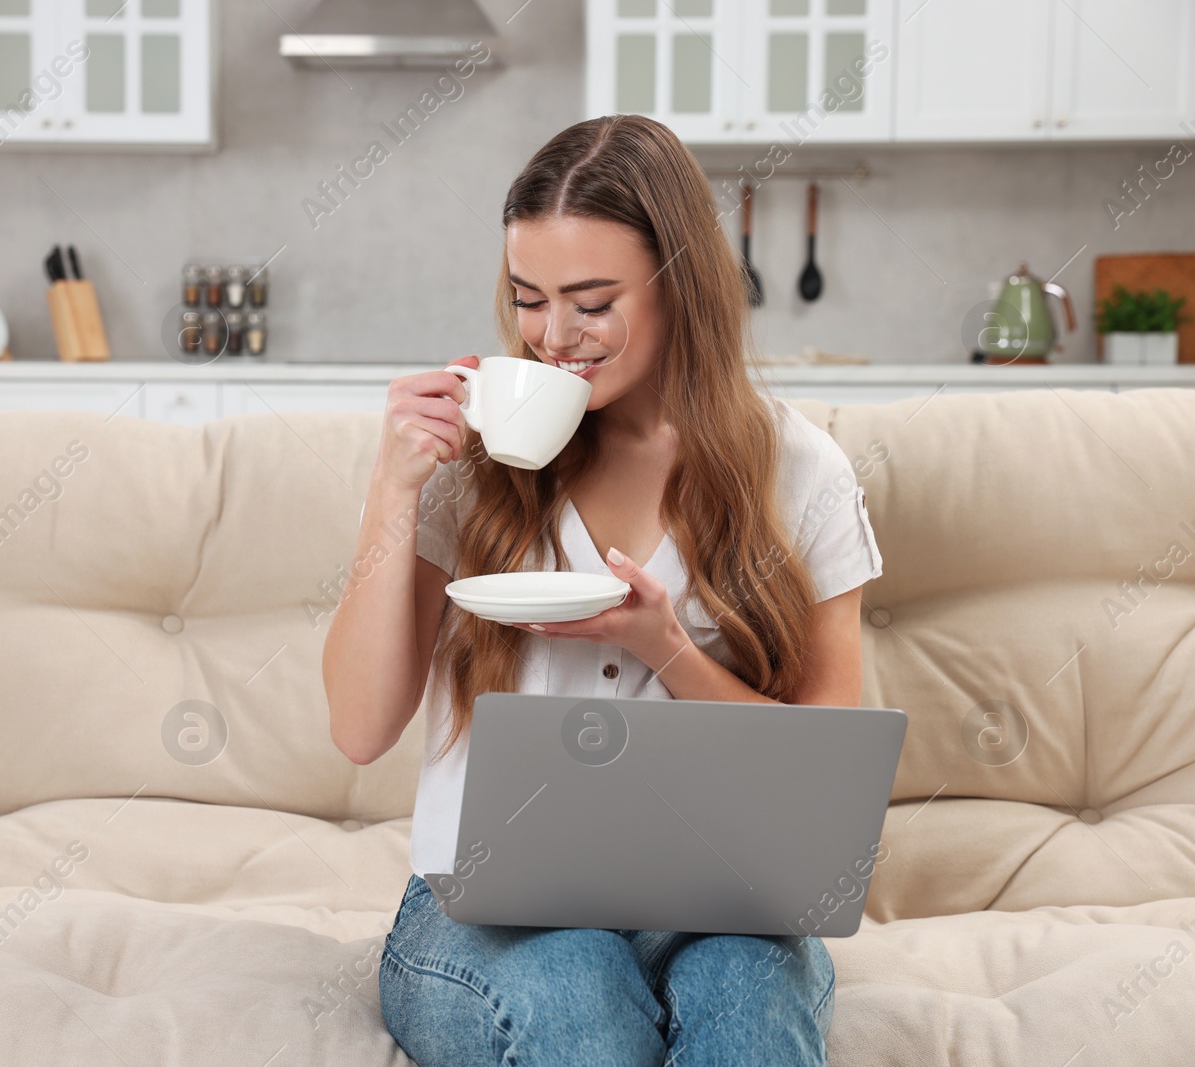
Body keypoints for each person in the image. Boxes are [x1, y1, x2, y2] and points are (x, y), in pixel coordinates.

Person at [322, 114, 884, 1066]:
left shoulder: (801, 472)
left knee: (746, 1010)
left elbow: (824, 779)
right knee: (581, 1004)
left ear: (681, 285)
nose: (553, 338)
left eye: (592, 300)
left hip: (719, 902)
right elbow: (360, 726)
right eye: (528, 298)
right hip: (481, 902)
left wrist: (667, 646)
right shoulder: (475, 466)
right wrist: (393, 492)